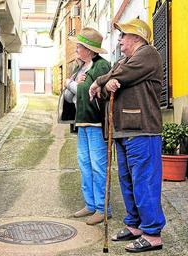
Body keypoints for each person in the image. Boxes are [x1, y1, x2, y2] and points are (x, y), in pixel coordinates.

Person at [89, 18, 165, 253]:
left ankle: (152, 233)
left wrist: (100, 81)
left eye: (123, 36)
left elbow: (122, 74)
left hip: (143, 129)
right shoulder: (124, 61)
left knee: (144, 181)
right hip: (123, 130)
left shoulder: (148, 53)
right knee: (128, 181)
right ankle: (135, 225)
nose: (120, 40)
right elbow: (114, 77)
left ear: (137, 37)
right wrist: (105, 85)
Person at [68, 28, 112, 225]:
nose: (76, 48)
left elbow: (87, 91)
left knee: (98, 166)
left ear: (89, 49)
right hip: (83, 122)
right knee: (84, 164)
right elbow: (72, 94)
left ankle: (103, 209)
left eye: (80, 46)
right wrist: (75, 84)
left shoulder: (101, 66)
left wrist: (74, 84)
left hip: (96, 123)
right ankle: (91, 204)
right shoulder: (81, 68)